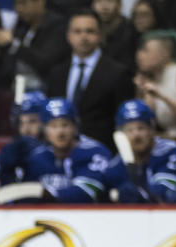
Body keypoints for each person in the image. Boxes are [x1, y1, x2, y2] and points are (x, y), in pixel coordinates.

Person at [46, 9, 134, 152]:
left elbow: (124, 121)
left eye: (90, 31)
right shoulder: (57, 73)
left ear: (100, 35)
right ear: (68, 35)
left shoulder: (118, 73)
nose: (84, 37)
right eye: (78, 31)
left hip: (104, 152)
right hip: (61, 152)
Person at [20, 97, 112, 202]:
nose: (60, 132)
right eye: (53, 126)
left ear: (75, 127)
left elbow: (89, 190)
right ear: (45, 130)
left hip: (91, 216)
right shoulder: (37, 157)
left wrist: (49, 194)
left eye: (65, 125)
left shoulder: (95, 152)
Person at [106, 99, 176, 203]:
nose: (136, 135)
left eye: (141, 128)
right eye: (129, 130)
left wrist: (140, 193)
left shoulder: (172, 153)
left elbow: (163, 193)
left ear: (151, 129)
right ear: (120, 135)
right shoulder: (114, 167)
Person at [134, 31, 176, 138]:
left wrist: (162, 97)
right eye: (139, 50)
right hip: (169, 141)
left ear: (165, 53)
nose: (139, 55)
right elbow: (145, 121)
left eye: (145, 50)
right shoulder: (151, 79)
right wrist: (142, 91)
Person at [0, 90, 45, 186]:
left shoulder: (61, 151)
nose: (26, 129)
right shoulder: (13, 150)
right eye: (21, 123)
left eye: (32, 121)